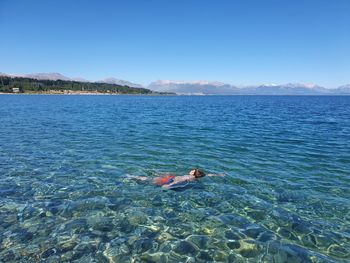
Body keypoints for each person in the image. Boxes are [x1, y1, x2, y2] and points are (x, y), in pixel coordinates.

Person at [129, 169, 224, 189]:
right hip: (172, 177)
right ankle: (136, 177)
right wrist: (218, 175)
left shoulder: (188, 177)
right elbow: (208, 175)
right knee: (158, 176)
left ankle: (132, 177)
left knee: (150, 179)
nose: (191, 170)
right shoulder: (195, 177)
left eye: (193, 170)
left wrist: (169, 185)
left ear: (194, 173)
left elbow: (180, 181)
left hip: (171, 180)